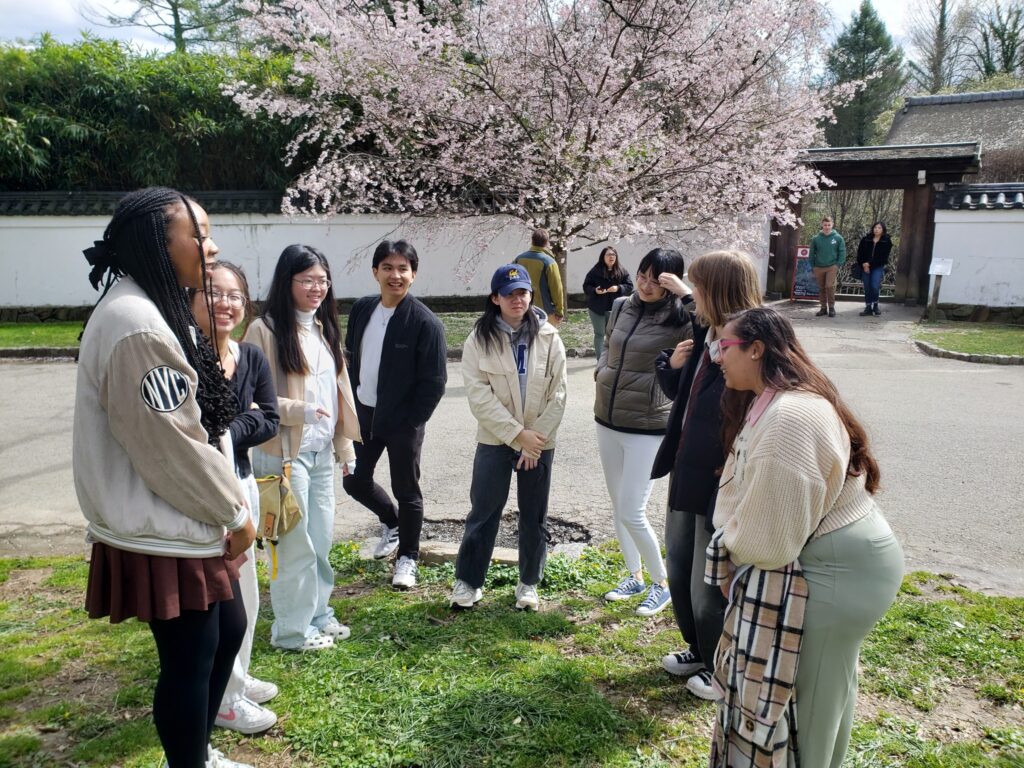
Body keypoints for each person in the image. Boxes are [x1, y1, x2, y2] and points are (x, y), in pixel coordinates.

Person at [75, 187, 257, 768]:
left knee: (225, 633)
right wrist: (234, 511)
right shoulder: (138, 325)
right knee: (190, 660)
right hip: (166, 519)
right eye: (198, 235)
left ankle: (197, 752)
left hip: (179, 513)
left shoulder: (148, 304)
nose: (212, 246)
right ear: (158, 241)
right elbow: (170, 446)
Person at [707, 306, 904, 768]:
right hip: (839, 560)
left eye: (724, 347)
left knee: (811, 711)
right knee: (826, 694)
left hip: (837, 571)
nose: (716, 357)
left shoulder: (789, 417)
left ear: (756, 350)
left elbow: (769, 544)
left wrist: (728, 546)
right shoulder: (776, 399)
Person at [650, 250, 762, 701]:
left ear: (717, 290)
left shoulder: (749, 343)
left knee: (709, 584)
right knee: (678, 568)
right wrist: (670, 367)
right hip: (685, 472)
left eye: (697, 287)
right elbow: (681, 392)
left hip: (719, 483)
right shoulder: (707, 332)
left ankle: (721, 668)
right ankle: (698, 650)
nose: (691, 295)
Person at [244, 244, 360, 652]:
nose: (317, 288)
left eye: (323, 281)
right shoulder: (264, 330)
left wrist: (345, 449)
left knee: (320, 541)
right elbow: (251, 399)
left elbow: (337, 396)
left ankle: (318, 614)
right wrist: (301, 411)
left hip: (320, 454)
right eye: (307, 280)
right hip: (282, 457)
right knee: (293, 547)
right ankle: (291, 631)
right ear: (287, 281)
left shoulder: (324, 329)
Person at [187, 262, 281, 735]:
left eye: (235, 296)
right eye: (214, 293)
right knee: (223, 600)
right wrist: (240, 423)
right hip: (204, 492)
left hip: (242, 482)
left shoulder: (251, 358)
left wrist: (231, 428)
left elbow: (270, 418)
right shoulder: (183, 357)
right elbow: (195, 430)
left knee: (247, 593)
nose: (225, 304)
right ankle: (225, 700)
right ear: (191, 300)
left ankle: (236, 679)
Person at [450, 264, 567, 610]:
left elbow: (559, 393)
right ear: (495, 298)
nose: (517, 300)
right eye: (509, 294)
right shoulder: (479, 339)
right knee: (484, 511)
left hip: (539, 442)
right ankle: (469, 582)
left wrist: (535, 441)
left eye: (523, 293)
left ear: (531, 296)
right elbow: (479, 397)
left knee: (534, 514)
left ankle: (528, 582)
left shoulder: (549, 336)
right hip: (496, 439)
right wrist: (519, 437)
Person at [342, 240, 448, 589]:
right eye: (387, 267)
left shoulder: (425, 323)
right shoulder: (362, 309)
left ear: (413, 274)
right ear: (375, 272)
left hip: (403, 422)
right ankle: (392, 523)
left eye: (403, 269)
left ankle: (408, 558)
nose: (395, 275)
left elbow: (434, 383)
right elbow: (352, 356)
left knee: (407, 490)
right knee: (354, 480)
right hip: (364, 415)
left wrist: (412, 421)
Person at [595, 248, 693, 618]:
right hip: (607, 418)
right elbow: (608, 345)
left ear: (672, 282)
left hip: (648, 426)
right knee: (618, 506)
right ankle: (634, 576)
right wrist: (602, 371)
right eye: (642, 276)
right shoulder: (621, 306)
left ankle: (661, 584)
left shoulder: (682, 317)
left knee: (632, 510)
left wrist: (686, 294)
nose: (647, 285)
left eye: (657, 280)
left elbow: (713, 328)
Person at [582, 246, 633, 358]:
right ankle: (600, 360)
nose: (611, 257)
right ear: (603, 257)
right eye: (608, 255)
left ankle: (613, 359)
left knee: (614, 334)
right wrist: (595, 290)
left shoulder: (621, 270)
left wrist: (618, 288)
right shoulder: (595, 271)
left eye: (613, 255)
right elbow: (586, 286)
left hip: (615, 308)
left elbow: (629, 285)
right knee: (599, 334)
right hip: (597, 308)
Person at [513, 227, 566, 327]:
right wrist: (559, 311)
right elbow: (556, 288)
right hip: (544, 311)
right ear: (547, 243)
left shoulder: (518, 259)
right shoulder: (549, 262)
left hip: (522, 309)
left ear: (532, 241)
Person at [808, 215, 846, 317]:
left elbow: (842, 252)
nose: (827, 227)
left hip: (832, 266)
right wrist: (813, 266)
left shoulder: (838, 238)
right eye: (825, 225)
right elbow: (811, 253)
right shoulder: (816, 238)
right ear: (822, 225)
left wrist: (838, 264)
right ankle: (823, 308)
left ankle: (831, 308)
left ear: (832, 225)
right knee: (821, 288)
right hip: (818, 266)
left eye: (829, 225)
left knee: (829, 286)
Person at [856, 221, 892, 317]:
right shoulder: (865, 239)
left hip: (877, 266)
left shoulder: (886, 241)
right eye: (875, 227)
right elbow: (860, 254)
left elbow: (883, 258)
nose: (877, 229)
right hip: (864, 265)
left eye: (879, 228)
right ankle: (868, 307)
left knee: (874, 286)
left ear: (883, 230)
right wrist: (864, 264)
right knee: (867, 286)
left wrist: (869, 264)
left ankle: (875, 305)